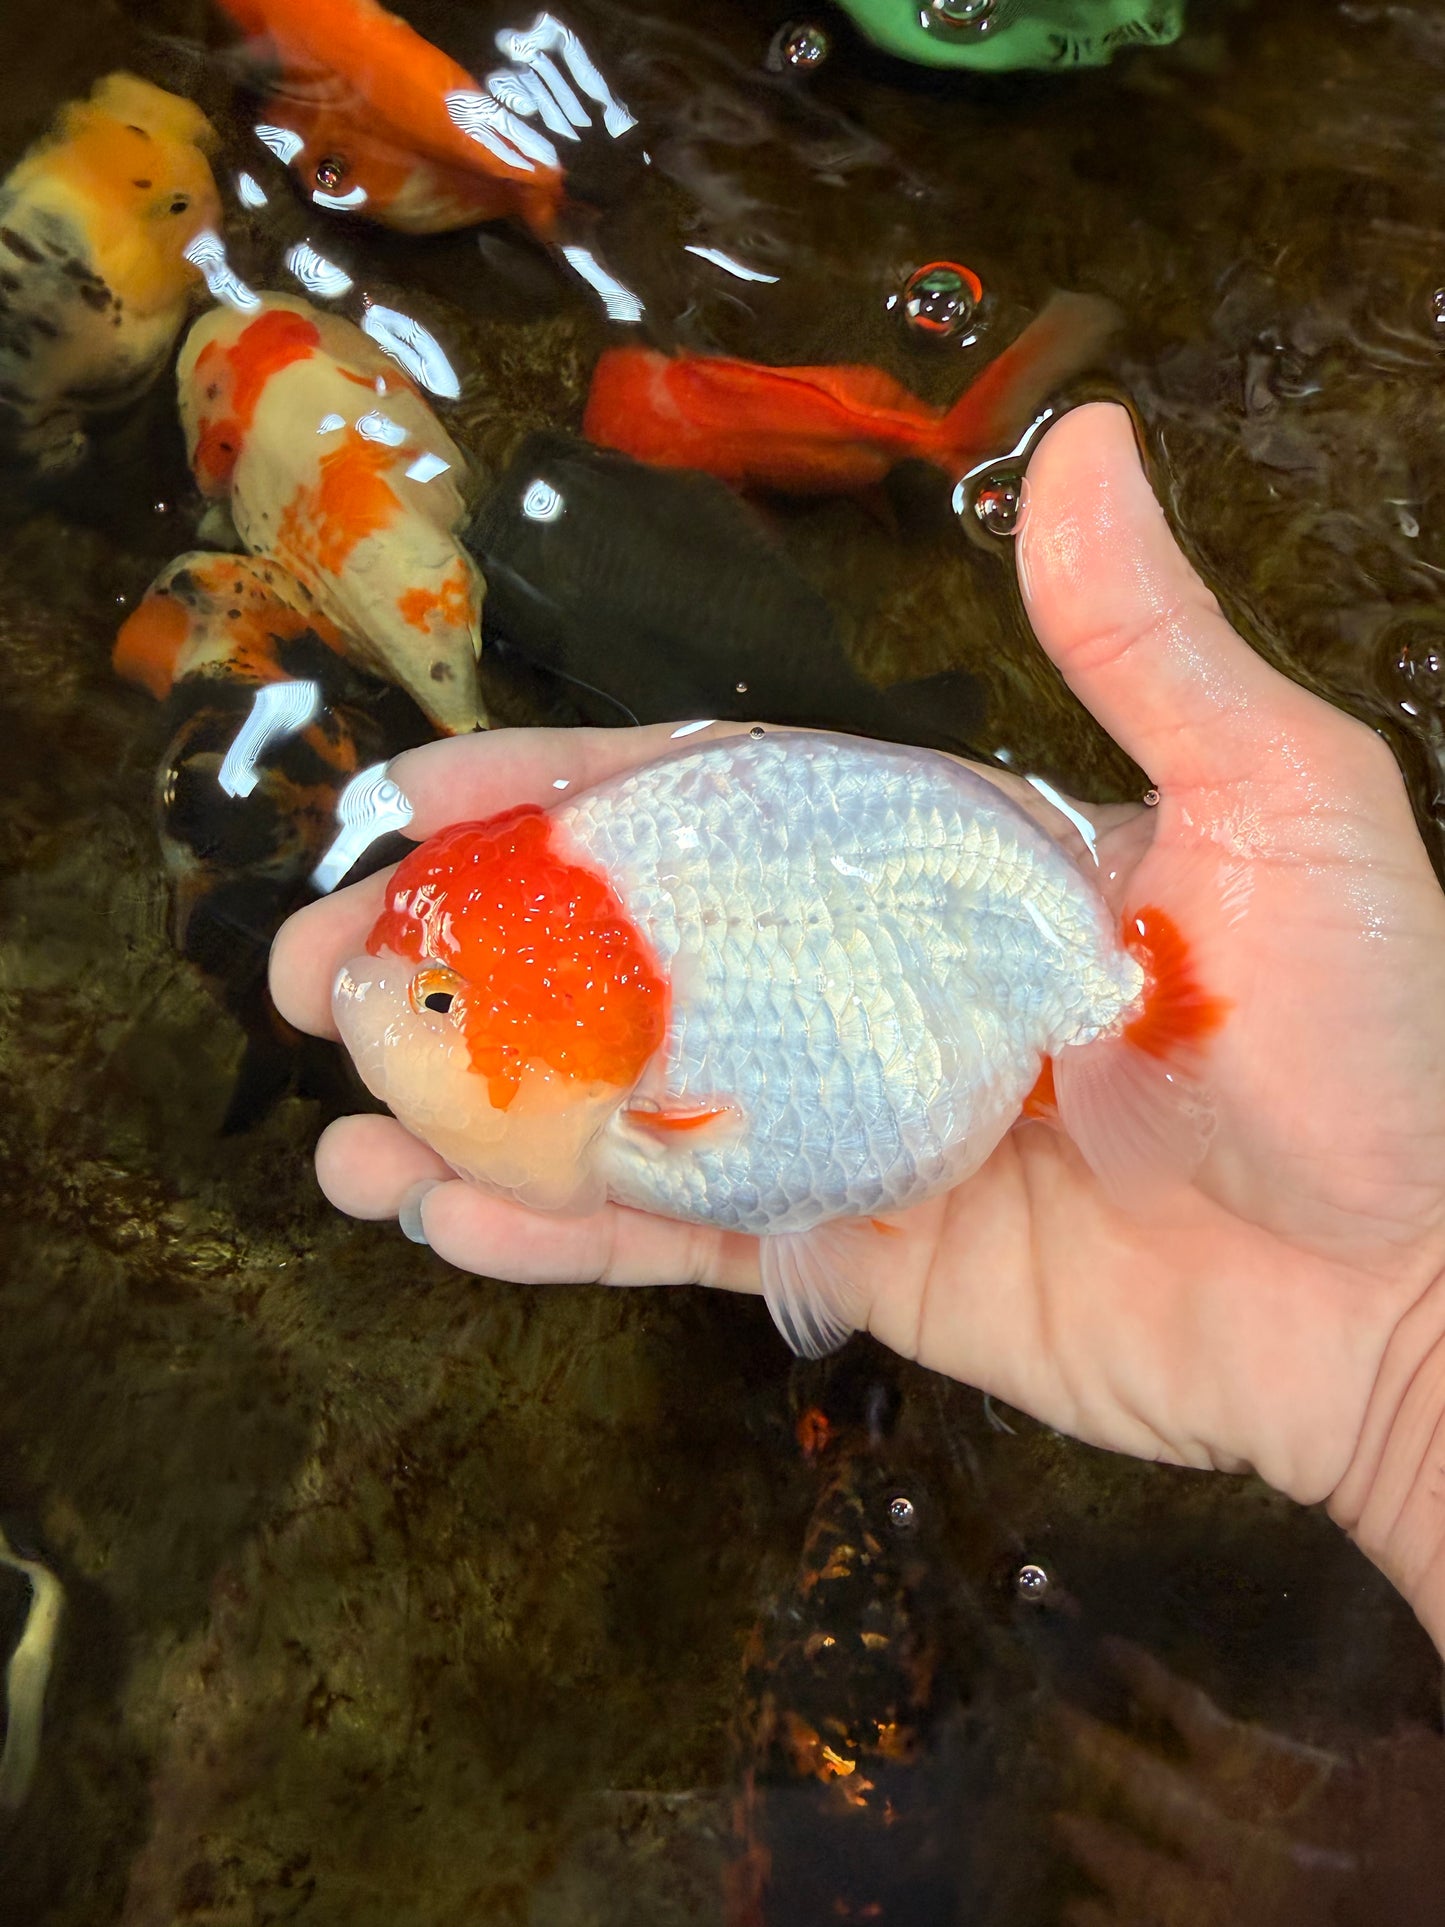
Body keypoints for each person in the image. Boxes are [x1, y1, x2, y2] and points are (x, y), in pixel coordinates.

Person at [269, 403, 1445, 1655]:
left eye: (442, 1004)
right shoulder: (626, 1002)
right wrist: (1401, 1367)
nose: (397, 1017)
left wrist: (1409, 1332)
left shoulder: (657, 1080)